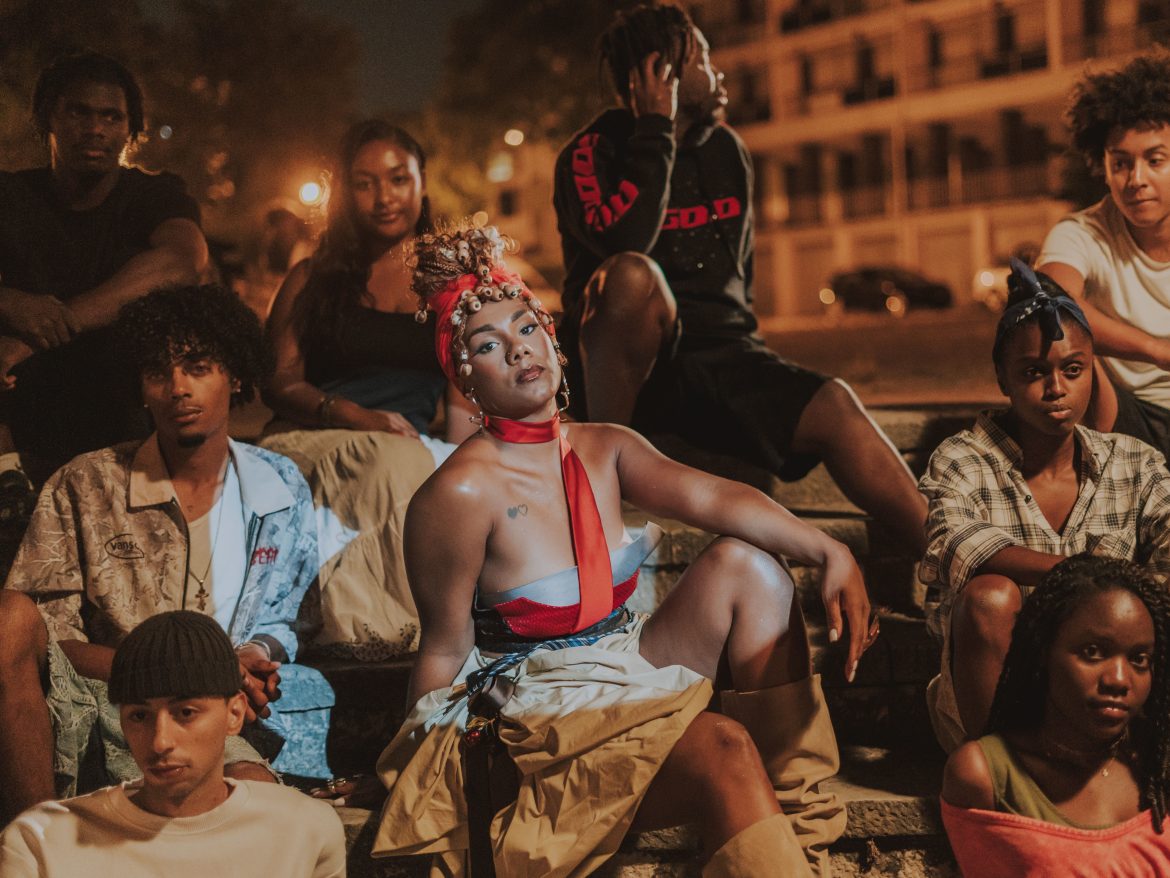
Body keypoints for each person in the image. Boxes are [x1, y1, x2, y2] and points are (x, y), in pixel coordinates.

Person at [367, 225, 880, 878]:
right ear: (465, 378)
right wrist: (415, 781)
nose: (519, 349)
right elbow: (443, 648)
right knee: (724, 746)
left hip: (625, 658)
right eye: (488, 345)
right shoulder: (458, 493)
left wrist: (830, 550)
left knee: (750, 566)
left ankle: (802, 840)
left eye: (526, 327)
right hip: (539, 708)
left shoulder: (606, 446)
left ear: (551, 337)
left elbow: (715, 497)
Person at [551, 2, 927, 554]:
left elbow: (736, 285)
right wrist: (656, 129)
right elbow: (624, 241)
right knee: (631, 275)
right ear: (662, 74)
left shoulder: (726, 150)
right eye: (702, 59)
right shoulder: (593, 153)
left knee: (834, 401)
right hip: (633, 374)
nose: (718, 71)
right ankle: (605, 472)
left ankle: (951, 557)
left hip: (722, 357)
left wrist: (761, 390)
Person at [0, 284, 329, 826]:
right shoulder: (86, 482)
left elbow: (291, 614)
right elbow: (47, 638)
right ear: (140, 387)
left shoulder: (277, 484)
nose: (178, 388)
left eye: (198, 367)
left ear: (236, 376)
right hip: (97, 699)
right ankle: (35, 847)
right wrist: (176, 667)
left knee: (259, 805)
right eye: (158, 372)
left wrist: (249, 655)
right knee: (11, 613)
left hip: (207, 709)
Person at [919, 261, 1170, 752]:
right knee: (990, 596)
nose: (1056, 389)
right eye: (1034, 372)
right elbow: (954, 543)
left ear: (1092, 369)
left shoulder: (1134, 464)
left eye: (1073, 370)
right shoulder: (964, 460)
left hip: (1110, 692)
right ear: (1003, 378)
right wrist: (1085, 573)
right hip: (1004, 700)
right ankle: (1007, 777)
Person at [262, 119, 477, 659]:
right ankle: (397, 640)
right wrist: (353, 414)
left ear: (422, 181)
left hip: (405, 446)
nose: (384, 197)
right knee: (396, 463)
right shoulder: (311, 278)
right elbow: (279, 383)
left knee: (438, 473)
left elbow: (461, 404)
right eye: (365, 183)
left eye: (398, 179)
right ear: (344, 192)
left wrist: (470, 469)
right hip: (314, 438)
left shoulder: (448, 285)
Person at [0, 610, 346, 877]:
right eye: (139, 715)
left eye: (185, 713)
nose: (160, 741)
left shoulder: (308, 829)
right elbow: (54, 641)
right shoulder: (35, 840)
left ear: (235, 714)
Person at [0, 51, 208, 488]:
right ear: (49, 118)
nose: (95, 129)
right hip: (20, 410)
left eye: (111, 117)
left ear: (130, 129)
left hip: (117, 409)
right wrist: (11, 302)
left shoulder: (152, 196)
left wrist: (45, 331)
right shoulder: (13, 196)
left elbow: (182, 260)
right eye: (79, 112)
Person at [941, 555, 1170, 876]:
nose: (1119, 679)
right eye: (1093, 652)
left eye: (1139, 659)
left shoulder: (1152, 768)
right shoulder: (985, 775)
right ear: (1043, 652)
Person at [1037, 50, 1170, 459]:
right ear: (1103, 166)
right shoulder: (1083, 233)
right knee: (1057, 335)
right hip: (1122, 418)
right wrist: (1157, 350)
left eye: (1155, 160)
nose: (1136, 179)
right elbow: (1048, 301)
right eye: (1121, 163)